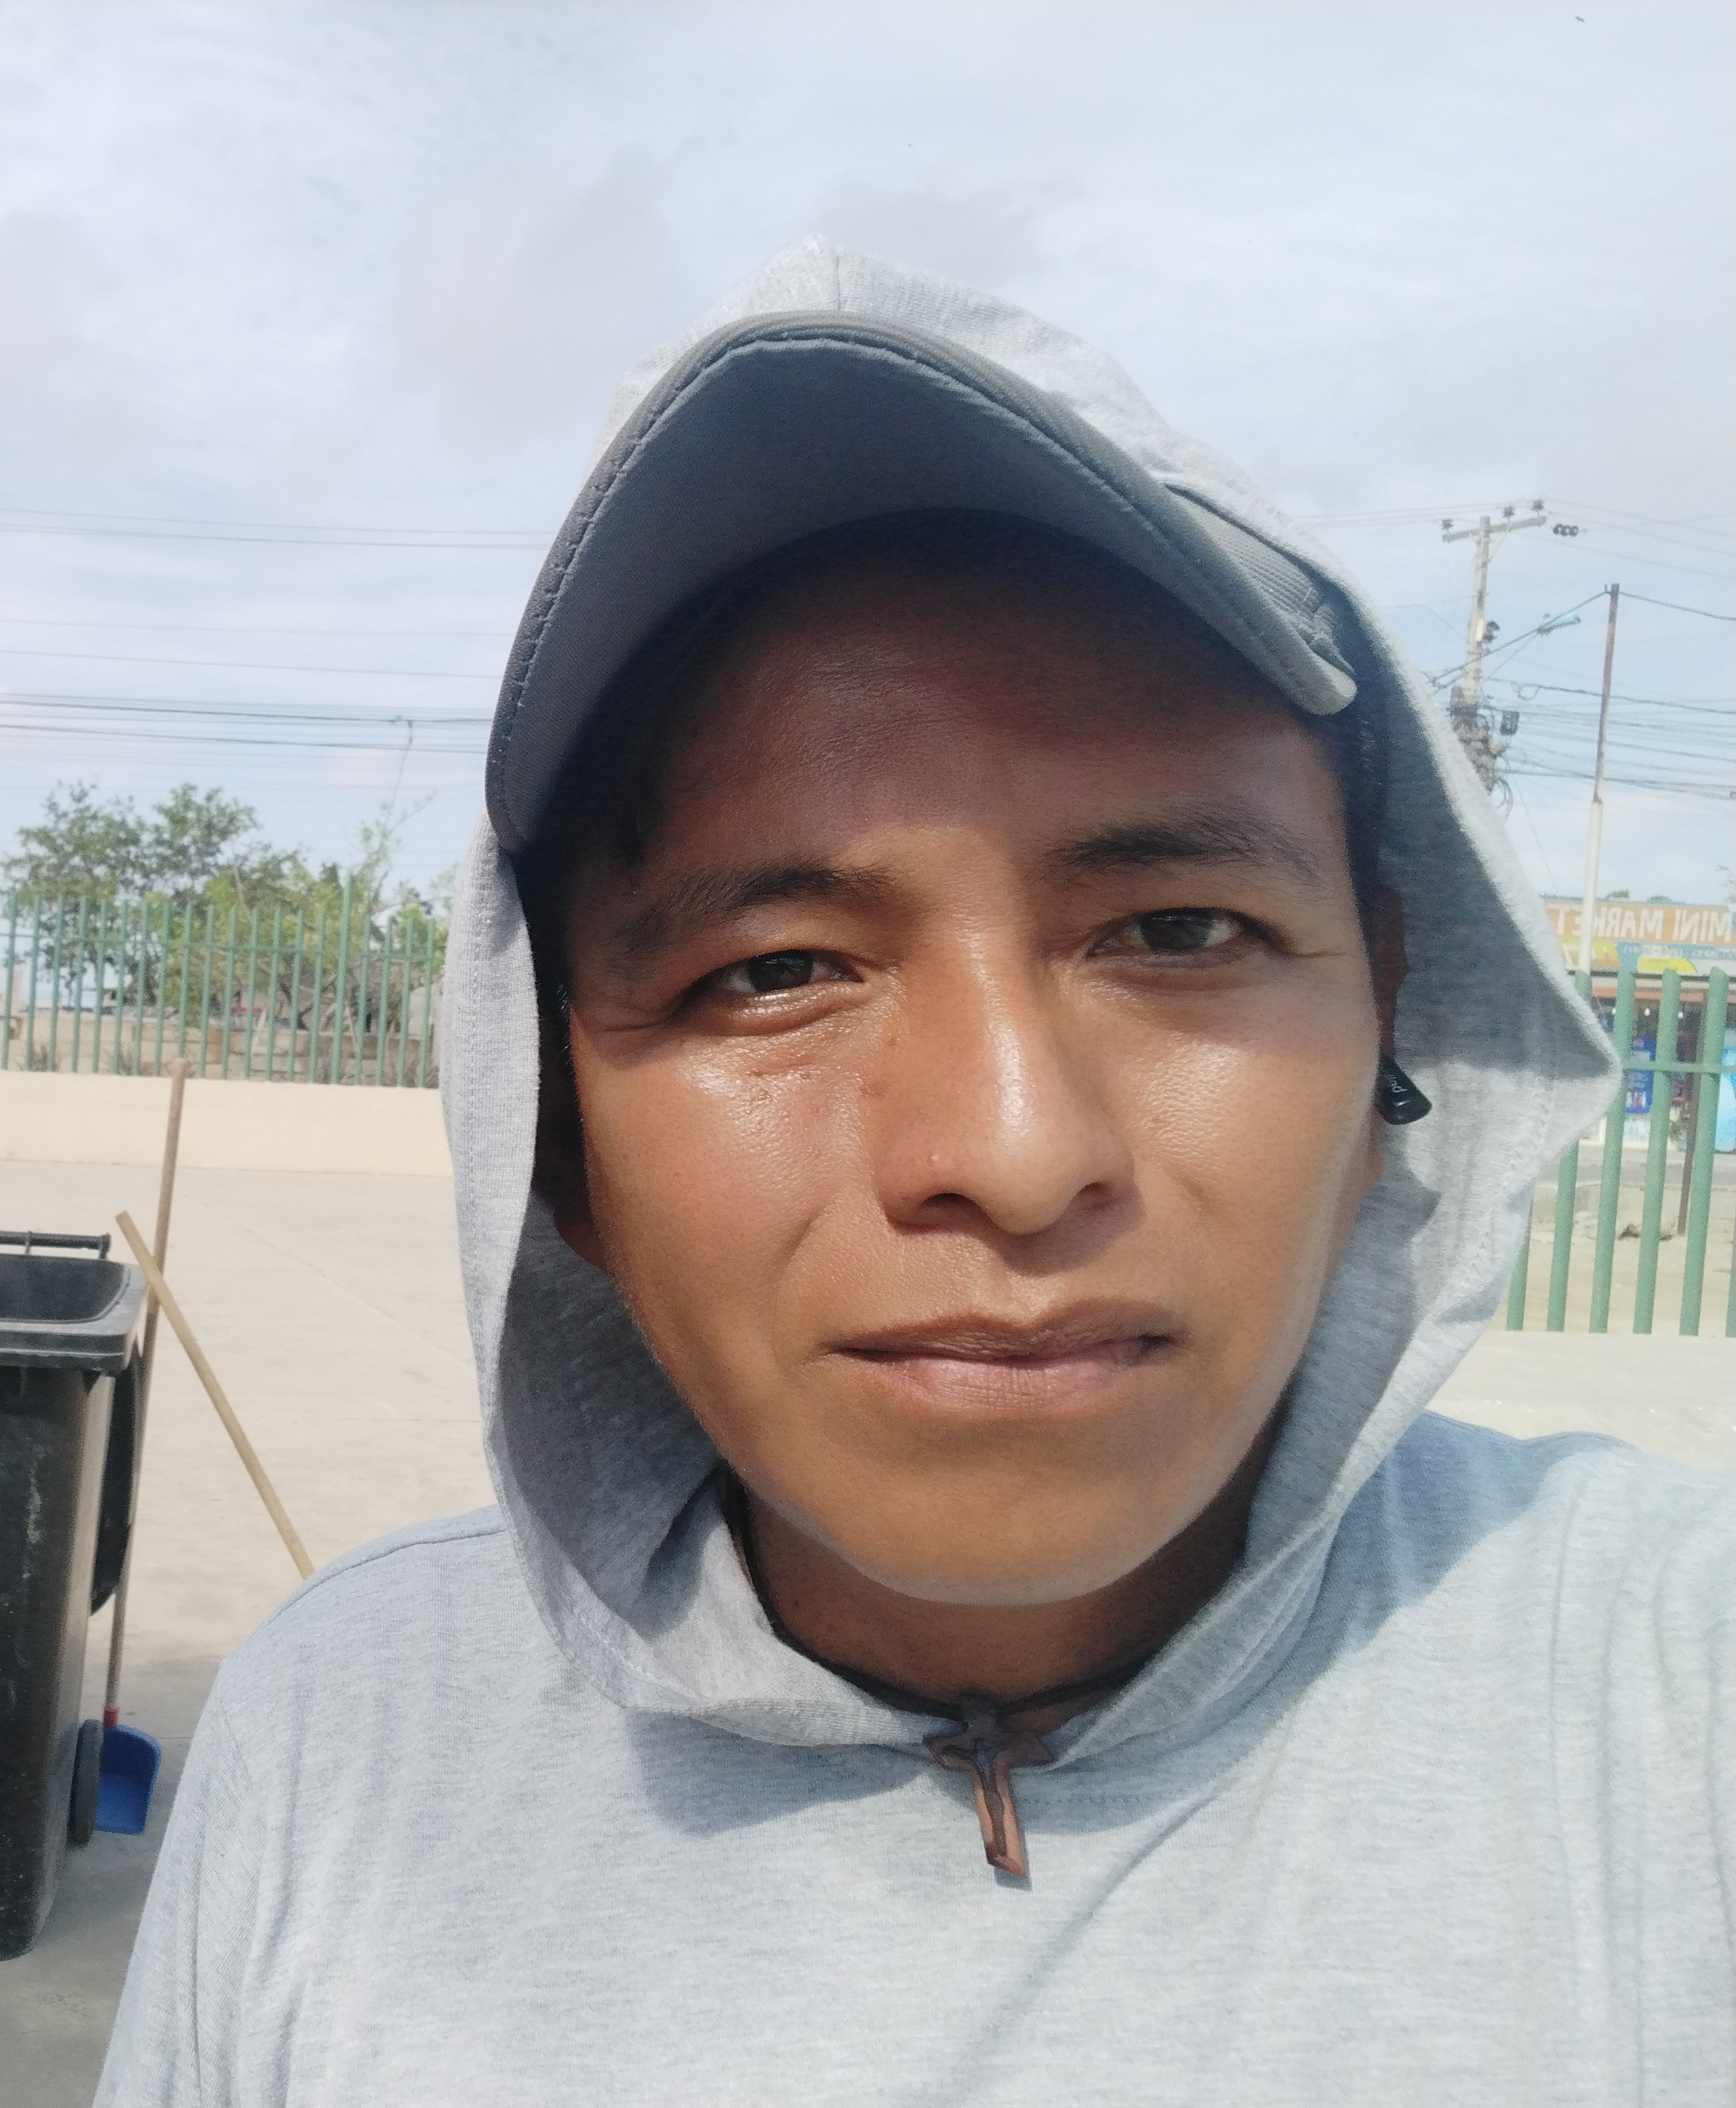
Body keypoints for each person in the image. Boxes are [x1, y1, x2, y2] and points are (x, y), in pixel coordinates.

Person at [94, 241, 1731, 2104]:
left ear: (1391, 1039)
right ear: (554, 1139)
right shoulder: (348, 1741)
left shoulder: (1674, 1698)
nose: (1016, 1156)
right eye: (776, 971)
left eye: (1179, 931)